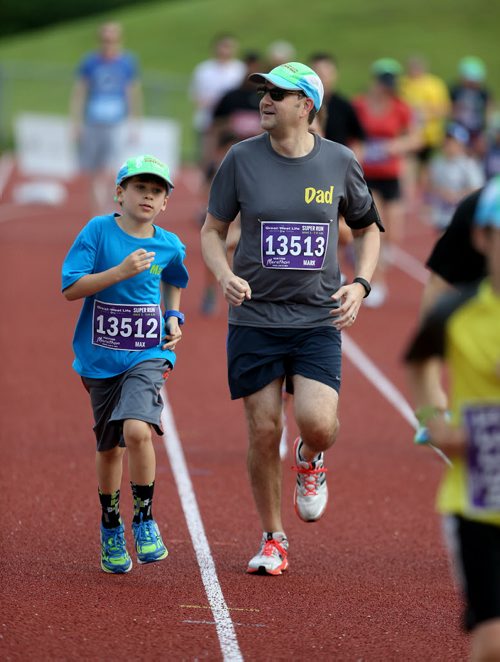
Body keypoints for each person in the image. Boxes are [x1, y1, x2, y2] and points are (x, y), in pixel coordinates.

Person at [200, 61, 383, 575]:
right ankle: (273, 537)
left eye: (278, 94)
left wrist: (361, 284)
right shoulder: (240, 159)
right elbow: (212, 231)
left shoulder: (339, 161)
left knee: (319, 424)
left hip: (316, 316)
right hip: (255, 317)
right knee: (262, 429)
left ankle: (310, 456)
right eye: (264, 92)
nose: (265, 100)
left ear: (307, 106)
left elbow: (368, 229)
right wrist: (222, 274)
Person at [61, 155, 189, 574]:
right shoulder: (98, 232)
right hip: (100, 359)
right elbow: (71, 288)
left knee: (137, 429)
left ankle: (145, 519)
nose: (148, 196)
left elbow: (175, 277)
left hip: (148, 353)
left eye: (157, 191)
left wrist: (173, 315)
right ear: (120, 193)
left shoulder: (168, 244)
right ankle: (111, 524)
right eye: (140, 188)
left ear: (166, 202)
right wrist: (118, 271)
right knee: (109, 446)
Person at [404, 176, 500, 662]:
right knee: (491, 642)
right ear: (483, 239)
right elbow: (420, 355)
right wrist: (434, 419)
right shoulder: (460, 313)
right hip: (480, 498)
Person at [353, 58, 421, 307]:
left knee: (395, 235)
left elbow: (415, 138)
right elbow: (348, 133)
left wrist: (395, 146)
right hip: (367, 175)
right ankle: (376, 280)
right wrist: (358, 149)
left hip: (391, 175)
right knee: (377, 231)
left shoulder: (401, 107)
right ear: (375, 81)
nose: (387, 87)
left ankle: (372, 261)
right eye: (383, 82)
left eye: (391, 83)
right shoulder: (359, 105)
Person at [70, 22, 142, 215]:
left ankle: (110, 210)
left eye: (112, 39)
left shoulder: (127, 62)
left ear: (119, 40)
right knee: (94, 172)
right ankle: (96, 214)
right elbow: (80, 92)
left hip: (116, 123)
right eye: (105, 39)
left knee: (111, 170)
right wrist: (75, 122)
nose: (108, 43)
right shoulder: (90, 62)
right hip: (93, 122)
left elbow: (132, 92)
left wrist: (135, 122)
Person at [400, 55, 451, 211]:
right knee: (408, 166)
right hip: (410, 135)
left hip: (430, 135)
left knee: (426, 169)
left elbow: (444, 108)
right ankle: (408, 200)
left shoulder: (434, 84)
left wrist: (425, 112)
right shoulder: (403, 84)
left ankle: (425, 201)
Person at [189, 34, 246, 167]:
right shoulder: (203, 70)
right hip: (208, 120)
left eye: (229, 47)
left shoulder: (239, 70)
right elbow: (195, 94)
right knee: (207, 159)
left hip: (231, 123)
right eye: (223, 46)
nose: (225, 50)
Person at [427, 121, 484, 232]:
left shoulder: (469, 164)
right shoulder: (437, 162)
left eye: (451, 141)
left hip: (462, 216)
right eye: (446, 140)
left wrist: (456, 195)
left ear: (461, 144)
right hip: (442, 215)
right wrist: (439, 192)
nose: (447, 144)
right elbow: (430, 184)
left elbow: (478, 189)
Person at [449, 56, 493, 159]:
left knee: (480, 147)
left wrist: (486, 130)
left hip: (477, 128)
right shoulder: (456, 90)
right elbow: (451, 109)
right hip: (459, 126)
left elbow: (489, 110)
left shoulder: (483, 93)